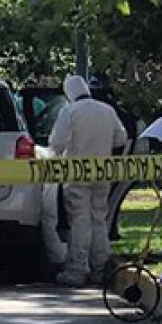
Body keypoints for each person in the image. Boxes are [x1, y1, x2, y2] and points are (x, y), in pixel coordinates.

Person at [48, 74, 129, 286]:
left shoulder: (70, 111)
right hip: (102, 172)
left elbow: (57, 143)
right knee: (99, 219)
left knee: (79, 220)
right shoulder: (106, 110)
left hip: (76, 173)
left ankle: (77, 270)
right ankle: (101, 269)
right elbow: (121, 138)